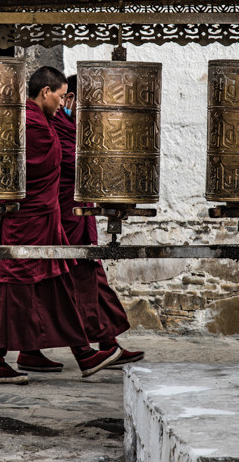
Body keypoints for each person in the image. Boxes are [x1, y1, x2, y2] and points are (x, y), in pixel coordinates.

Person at [0, 66, 122, 384]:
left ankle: (83, 353)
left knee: (57, 286)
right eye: (59, 97)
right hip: (26, 222)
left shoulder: (41, 121)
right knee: (14, 291)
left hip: (44, 220)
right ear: (46, 92)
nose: (62, 104)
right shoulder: (32, 125)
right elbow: (13, 169)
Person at [49, 74, 144, 368]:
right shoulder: (58, 128)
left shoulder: (74, 128)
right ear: (70, 100)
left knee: (91, 277)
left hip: (79, 212)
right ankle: (100, 346)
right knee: (79, 280)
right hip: (66, 216)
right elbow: (73, 164)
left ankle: (108, 342)